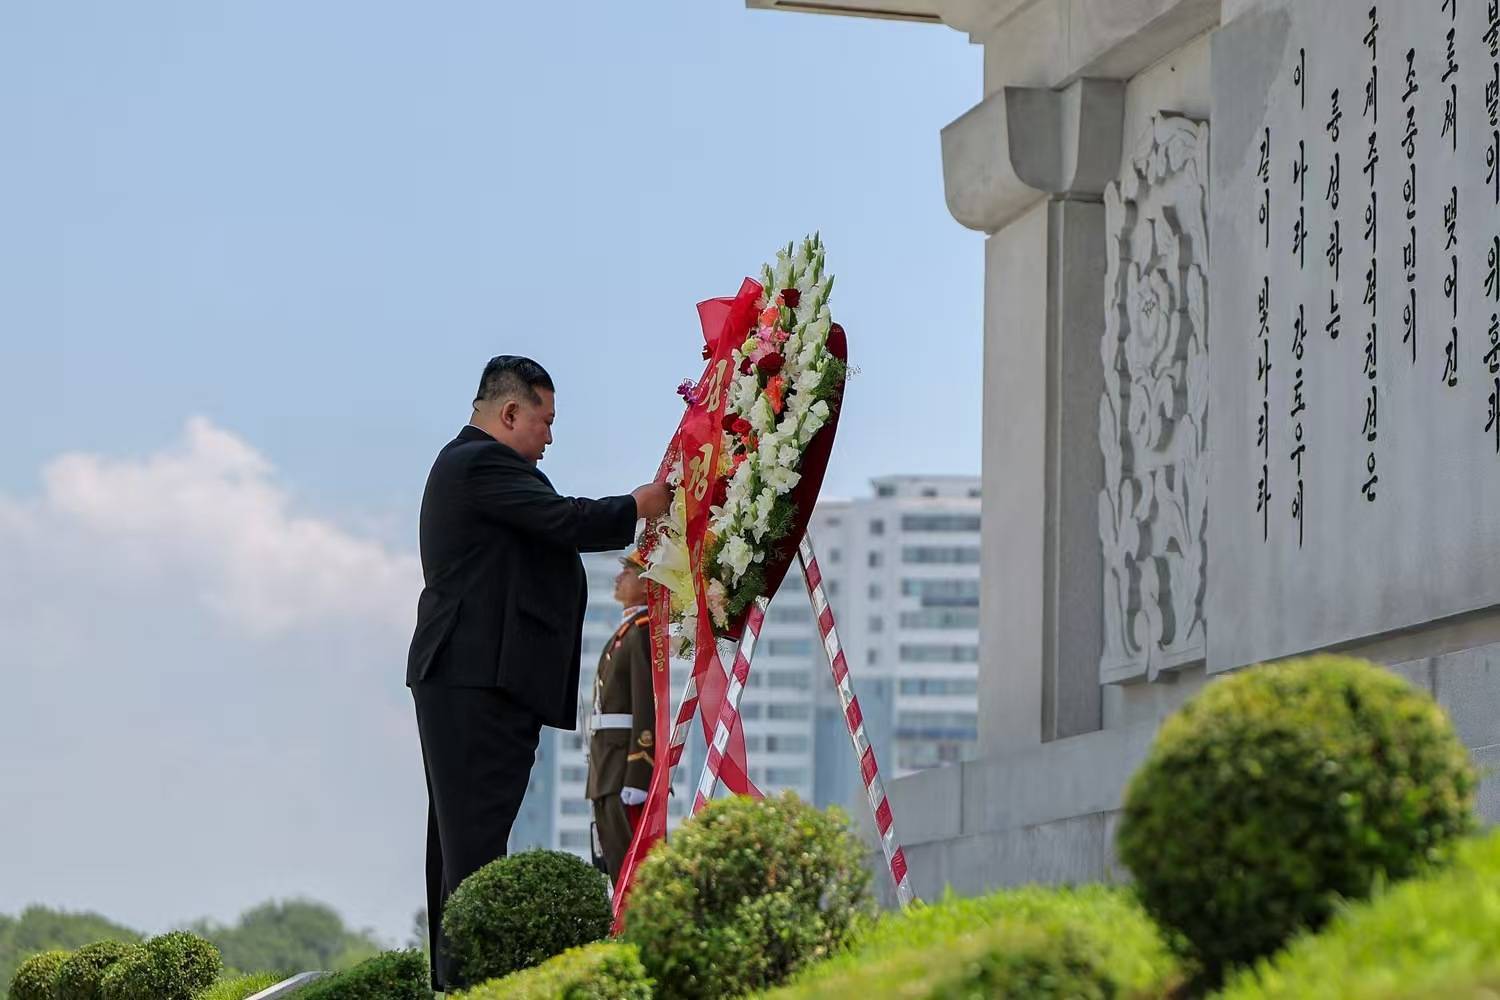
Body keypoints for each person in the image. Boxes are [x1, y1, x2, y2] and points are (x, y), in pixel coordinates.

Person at [405, 355, 671, 991]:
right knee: (472, 848)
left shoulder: (476, 467)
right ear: (510, 412)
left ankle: (456, 981)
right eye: (545, 421)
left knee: (461, 843)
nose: (550, 438)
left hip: (476, 677)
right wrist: (642, 504)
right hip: (476, 678)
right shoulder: (480, 463)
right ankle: (470, 982)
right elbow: (566, 522)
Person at [585, 546, 656, 884]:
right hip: (607, 766)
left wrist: (639, 773)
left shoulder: (641, 632)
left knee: (631, 868)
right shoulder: (625, 634)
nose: (618, 578)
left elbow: (645, 706)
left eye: (627, 572)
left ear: (646, 583)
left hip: (622, 769)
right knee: (614, 863)